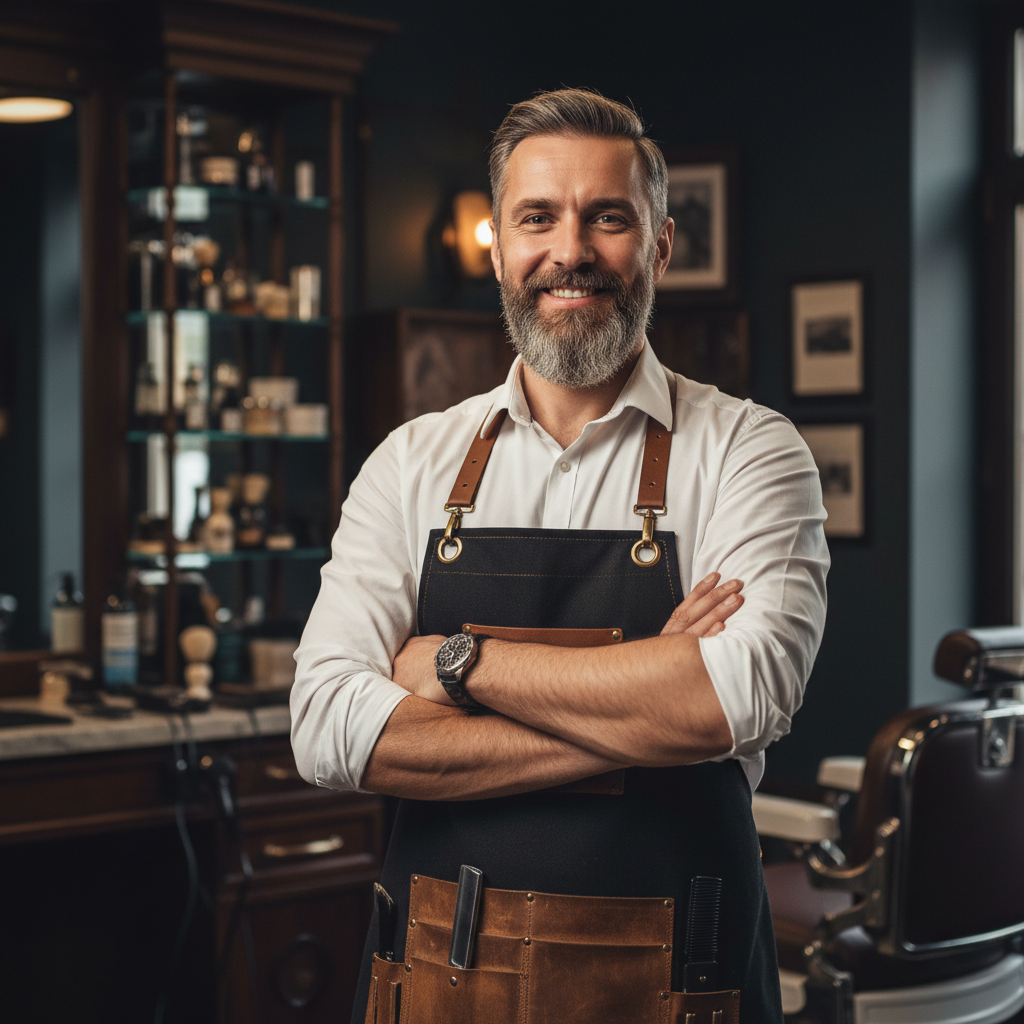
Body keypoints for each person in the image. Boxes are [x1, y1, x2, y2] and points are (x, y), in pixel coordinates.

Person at [291, 88, 828, 1024]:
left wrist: (455, 665)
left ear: (659, 246)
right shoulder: (411, 461)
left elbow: (736, 697)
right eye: (537, 217)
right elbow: (329, 729)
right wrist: (646, 703)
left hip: (682, 983)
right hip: (436, 975)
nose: (570, 251)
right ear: (498, 243)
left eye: (607, 218)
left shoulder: (751, 448)